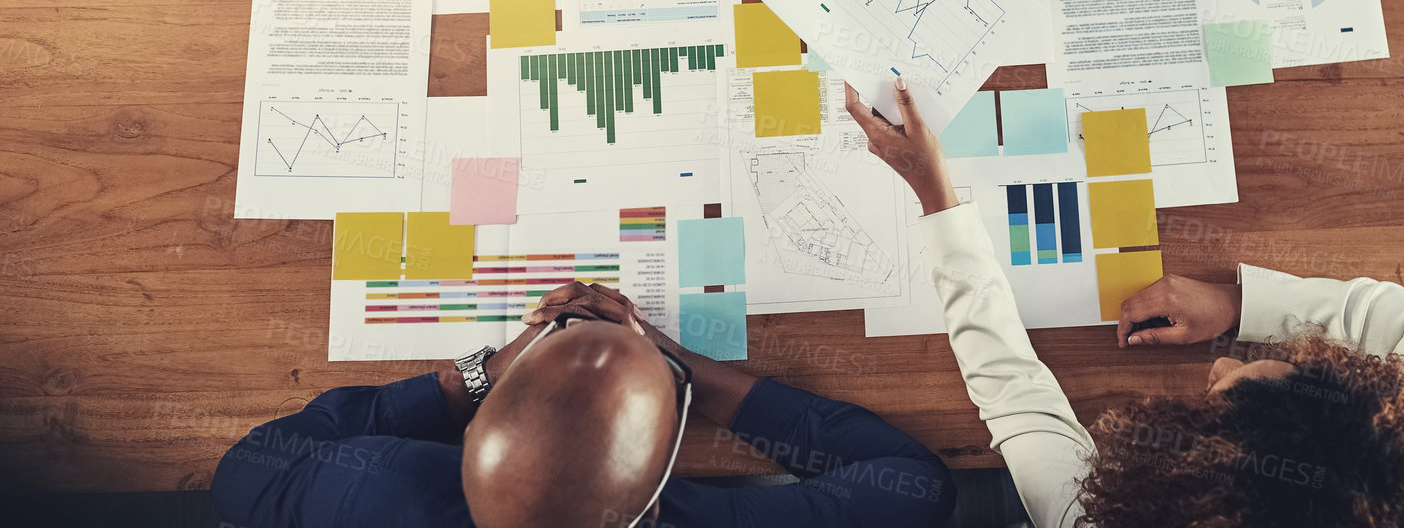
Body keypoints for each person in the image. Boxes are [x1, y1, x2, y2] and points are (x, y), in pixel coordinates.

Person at [845, 80, 1404, 527]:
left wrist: (937, 199)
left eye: (1224, 400)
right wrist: (1243, 303)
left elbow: (1015, 394)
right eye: (1279, 366)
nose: (1217, 368)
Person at [211, 281, 953, 528]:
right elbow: (913, 481)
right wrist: (679, 365)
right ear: (652, 494)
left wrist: (485, 373)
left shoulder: (374, 485)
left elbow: (242, 471)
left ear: (472, 448)